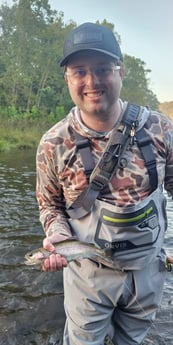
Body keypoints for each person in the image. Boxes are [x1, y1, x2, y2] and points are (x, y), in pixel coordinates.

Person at [36, 22, 173, 345]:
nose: (91, 81)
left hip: (147, 273)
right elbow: (50, 205)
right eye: (79, 71)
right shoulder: (53, 144)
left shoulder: (159, 128)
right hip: (87, 275)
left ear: (121, 72)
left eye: (102, 69)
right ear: (67, 78)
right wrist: (57, 235)